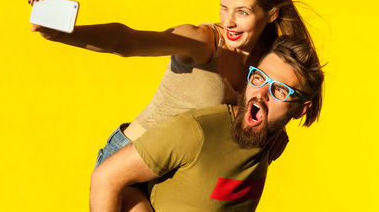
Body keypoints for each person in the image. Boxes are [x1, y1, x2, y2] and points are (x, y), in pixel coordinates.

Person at [89, 35, 325, 212]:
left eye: (280, 90)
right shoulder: (195, 131)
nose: (261, 94)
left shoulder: (267, 141)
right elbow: (106, 178)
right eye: (258, 77)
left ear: (300, 109)